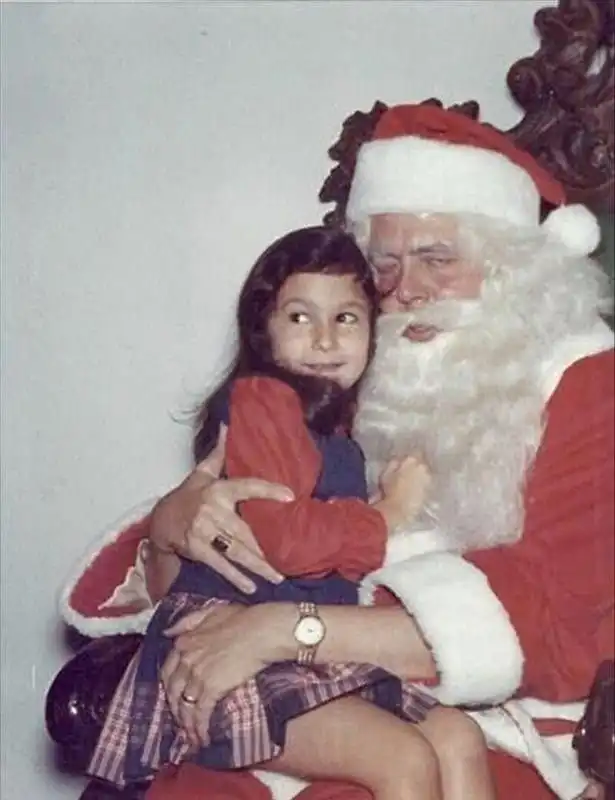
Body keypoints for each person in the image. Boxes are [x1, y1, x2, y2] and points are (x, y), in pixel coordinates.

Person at [62, 103, 614, 800]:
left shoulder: (584, 380)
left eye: (437, 260)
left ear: (510, 268)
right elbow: (222, 571)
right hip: (321, 678)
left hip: (516, 718)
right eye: (384, 265)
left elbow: (558, 625)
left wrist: (283, 631)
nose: (407, 290)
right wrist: (176, 526)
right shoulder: (355, 372)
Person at [85, 224, 494, 800]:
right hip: (224, 650)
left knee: (457, 736)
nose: (325, 341)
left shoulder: (339, 427)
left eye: (346, 318)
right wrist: (388, 513)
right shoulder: (262, 400)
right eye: (301, 318)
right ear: (264, 331)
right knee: (401, 757)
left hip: (300, 650)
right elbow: (286, 542)